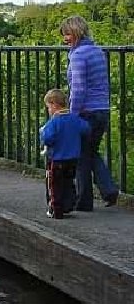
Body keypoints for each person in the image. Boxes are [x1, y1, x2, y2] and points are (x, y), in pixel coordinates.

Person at [60, 15, 120, 210]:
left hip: (87, 111)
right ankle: (109, 190)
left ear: (76, 32)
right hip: (102, 110)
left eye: (67, 34)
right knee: (90, 151)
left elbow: (78, 88)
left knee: (81, 156)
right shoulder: (97, 51)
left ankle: (84, 201)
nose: (65, 39)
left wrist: (72, 114)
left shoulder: (78, 55)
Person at [39, 89, 90, 219]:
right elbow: (86, 128)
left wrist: (42, 133)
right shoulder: (74, 119)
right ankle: (68, 205)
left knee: (54, 185)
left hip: (56, 159)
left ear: (54, 104)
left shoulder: (53, 122)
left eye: (48, 107)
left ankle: (56, 209)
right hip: (72, 159)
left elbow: (48, 139)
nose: (48, 110)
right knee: (68, 183)